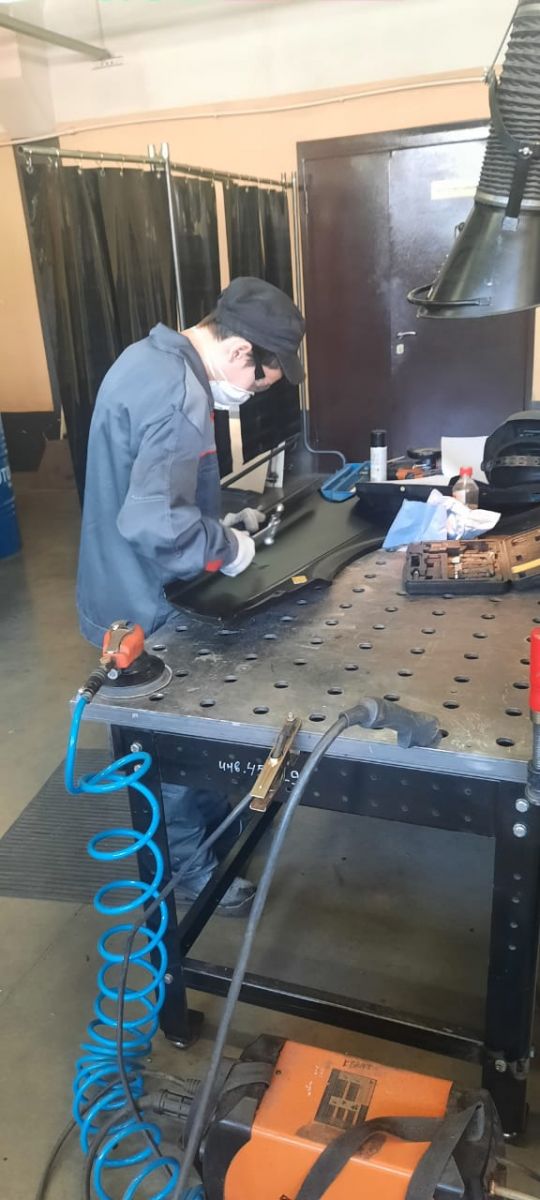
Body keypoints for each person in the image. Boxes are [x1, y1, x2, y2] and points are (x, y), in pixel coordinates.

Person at [77, 276, 305, 916]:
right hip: (146, 601)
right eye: (259, 382)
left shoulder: (147, 358)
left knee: (176, 745)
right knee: (173, 750)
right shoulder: (181, 394)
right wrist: (228, 549)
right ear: (239, 352)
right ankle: (194, 876)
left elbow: (149, 489)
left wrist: (218, 523)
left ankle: (212, 838)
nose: (251, 395)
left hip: (116, 580)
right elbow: (154, 521)